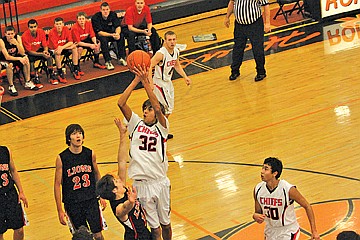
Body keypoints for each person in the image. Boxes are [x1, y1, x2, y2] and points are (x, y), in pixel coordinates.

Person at [117, 65, 172, 240]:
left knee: (166, 224)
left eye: (148, 109)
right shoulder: (136, 124)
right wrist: (136, 80)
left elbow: (157, 107)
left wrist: (147, 84)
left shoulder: (162, 128)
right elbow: (121, 103)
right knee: (154, 229)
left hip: (159, 181)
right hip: (141, 184)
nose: (145, 111)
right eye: (144, 109)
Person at [96, 118, 151, 240]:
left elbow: (121, 161)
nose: (120, 180)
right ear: (114, 190)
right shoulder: (118, 208)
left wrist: (122, 135)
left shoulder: (122, 190)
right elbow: (123, 209)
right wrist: (130, 202)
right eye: (116, 181)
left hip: (144, 233)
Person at [54, 124, 106, 240]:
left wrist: (101, 194)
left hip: (91, 200)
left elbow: (97, 174)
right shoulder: (62, 158)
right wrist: (59, 210)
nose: (78, 136)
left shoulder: (90, 153)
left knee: (98, 235)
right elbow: (57, 185)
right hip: (73, 203)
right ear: (68, 138)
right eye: (74, 133)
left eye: (80, 133)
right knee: (81, 236)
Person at [253, 157, 320, 240]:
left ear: (275, 173)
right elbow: (258, 212)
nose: (262, 171)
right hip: (270, 230)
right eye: (262, 168)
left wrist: (314, 231)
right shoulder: (258, 189)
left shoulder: (288, 189)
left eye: (266, 169)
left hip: (288, 230)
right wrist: (255, 216)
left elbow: (307, 206)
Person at [149, 30, 191, 140]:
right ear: (165, 41)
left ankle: (157, 129)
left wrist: (185, 76)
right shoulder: (161, 54)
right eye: (169, 40)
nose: (172, 42)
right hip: (159, 83)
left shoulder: (176, 51)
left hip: (168, 83)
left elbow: (176, 65)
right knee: (167, 109)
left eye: (174, 39)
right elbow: (149, 66)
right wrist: (150, 83)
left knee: (163, 109)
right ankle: (161, 131)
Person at [224, 0, 270, 82]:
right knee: (237, 49)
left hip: (255, 24)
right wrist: (227, 17)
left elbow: (266, 5)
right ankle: (235, 71)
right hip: (239, 26)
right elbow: (232, 2)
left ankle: (261, 72)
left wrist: (267, 23)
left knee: (258, 49)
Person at [0, 26, 39, 96]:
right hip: (4, 59)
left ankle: (27, 81)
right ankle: (11, 86)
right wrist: (19, 59)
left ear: (14, 33)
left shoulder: (17, 38)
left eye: (12, 34)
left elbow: (22, 52)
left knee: (26, 58)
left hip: (15, 57)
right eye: (8, 34)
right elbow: (7, 57)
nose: (10, 36)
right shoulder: (2, 41)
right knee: (10, 65)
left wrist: (17, 44)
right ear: (5, 34)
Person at [0, 146, 29, 240]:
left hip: (10, 194)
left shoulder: (5, 151)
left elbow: (13, 171)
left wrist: (21, 191)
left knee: (19, 229)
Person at [91, 2, 127, 70]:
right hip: (102, 35)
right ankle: (108, 61)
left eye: (107, 9)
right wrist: (111, 35)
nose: (105, 11)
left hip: (112, 33)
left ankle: (121, 57)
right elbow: (99, 32)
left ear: (109, 9)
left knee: (121, 36)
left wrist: (117, 34)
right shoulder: (95, 17)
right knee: (103, 40)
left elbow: (118, 26)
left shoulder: (113, 14)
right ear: (100, 10)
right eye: (104, 10)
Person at [21, 19, 56, 86]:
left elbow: (45, 45)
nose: (33, 29)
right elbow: (29, 51)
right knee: (30, 60)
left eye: (34, 26)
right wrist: (42, 54)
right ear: (28, 28)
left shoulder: (41, 32)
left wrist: (45, 51)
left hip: (39, 50)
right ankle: (34, 77)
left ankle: (51, 74)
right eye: (31, 27)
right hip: (31, 53)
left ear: (37, 26)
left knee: (49, 56)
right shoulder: (25, 36)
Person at [48, 17, 82, 83]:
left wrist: (63, 47)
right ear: (54, 25)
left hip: (63, 47)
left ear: (63, 24)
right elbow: (56, 47)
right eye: (57, 24)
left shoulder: (66, 29)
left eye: (60, 24)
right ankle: (60, 72)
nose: (59, 26)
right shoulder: (51, 33)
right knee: (57, 53)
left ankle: (75, 69)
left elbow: (71, 42)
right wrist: (68, 47)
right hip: (53, 50)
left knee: (74, 48)